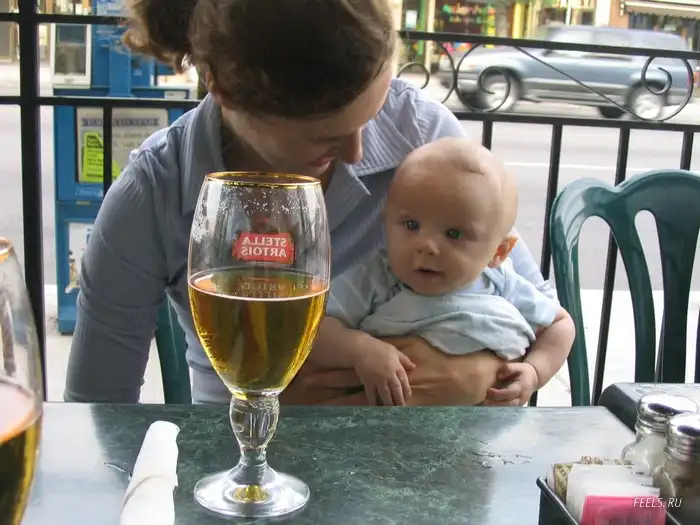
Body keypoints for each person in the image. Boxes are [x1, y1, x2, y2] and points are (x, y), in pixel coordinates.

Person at [64, 0, 558, 405]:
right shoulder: (155, 193)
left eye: (370, 114)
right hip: (234, 461)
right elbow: (97, 411)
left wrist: (470, 377)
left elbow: (525, 304)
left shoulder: (422, 137)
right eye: (324, 139)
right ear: (222, 87)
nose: (357, 153)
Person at [311, 138, 575, 406]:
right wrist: (359, 350)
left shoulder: (501, 283)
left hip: (481, 427)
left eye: (453, 234)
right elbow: (315, 328)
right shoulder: (377, 277)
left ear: (499, 252)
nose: (427, 246)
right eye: (411, 225)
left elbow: (560, 326)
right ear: (385, 223)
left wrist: (534, 371)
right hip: (389, 424)